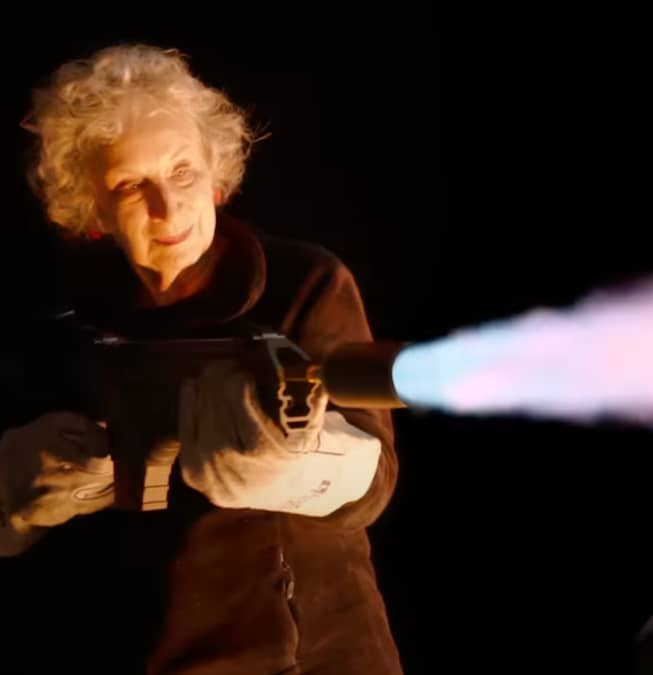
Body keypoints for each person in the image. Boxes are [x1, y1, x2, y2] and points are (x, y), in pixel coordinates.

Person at [0, 44, 404, 674]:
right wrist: (13, 494)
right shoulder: (61, 325)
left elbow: (374, 488)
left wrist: (293, 463)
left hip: (314, 652)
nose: (167, 208)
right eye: (131, 185)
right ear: (91, 209)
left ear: (216, 175)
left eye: (183, 171)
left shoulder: (303, 283)